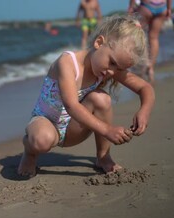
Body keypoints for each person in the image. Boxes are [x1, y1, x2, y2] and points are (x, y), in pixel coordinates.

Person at [17, 15, 155, 177]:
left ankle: (103, 157)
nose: (112, 72)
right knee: (42, 140)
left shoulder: (109, 69)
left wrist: (144, 111)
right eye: (112, 62)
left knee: (102, 99)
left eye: (119, 69)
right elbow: (71, 106)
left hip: (74, 129)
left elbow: (145, 88)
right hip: (46, 122)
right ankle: (30, 153)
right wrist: (107, 130)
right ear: (99, 43)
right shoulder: (68, 62)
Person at [128, 0, 172, 84]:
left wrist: (131, 6)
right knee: (154, 37)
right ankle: (151, 67)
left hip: (147, 5)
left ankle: (143, 63)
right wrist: (169, 8)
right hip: (162, 6)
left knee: (137, 34)